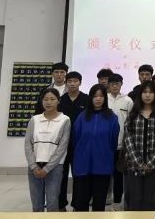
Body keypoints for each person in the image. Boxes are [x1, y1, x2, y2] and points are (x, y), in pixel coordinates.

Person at [71, 84, 120, 212]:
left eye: (101, 96)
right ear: (91, 98)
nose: (98, 99)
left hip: (102, 166)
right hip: (82, 165)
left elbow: (113, 142)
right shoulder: (82, 117)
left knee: (99, 204)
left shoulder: (112, 118)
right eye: (95, 96)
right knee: (81, 204)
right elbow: (75, 139)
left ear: (105, 98)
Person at [123, 81, 155, 210]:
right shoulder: (133, 115)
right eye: (144, 92)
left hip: (153, 166)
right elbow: (128, 139)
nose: (147, 95)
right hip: (133, 165)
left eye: (151, 92)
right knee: (134, 200)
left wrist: (150, 163)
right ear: (140, 95)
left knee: (150, 200)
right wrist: (138, 163)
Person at [24, 88, 71, 212]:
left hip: (55, 167)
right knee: (36, 205)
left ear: (58, 101)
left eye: (52, 99)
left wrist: (47, 168)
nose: (48, 102)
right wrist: (33, 166)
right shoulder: (34, 119)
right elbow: (28, 144)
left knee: (52, 203)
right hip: (34, 167)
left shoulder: (65, 120)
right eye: (45, 99)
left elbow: (62, 147)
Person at [58, 71, 88, 211]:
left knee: (79, 175)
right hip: (62, 144)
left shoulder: (86, 99)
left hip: (80, 144)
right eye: (69, 81)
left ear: (80, 83)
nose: (72, 84)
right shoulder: (60, 100)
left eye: (75, 81)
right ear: (66, 83)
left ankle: (77, 204)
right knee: (61, 175)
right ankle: (61, 204)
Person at [107, 73, 133, 208]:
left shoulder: (128, 100)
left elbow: (131, 121)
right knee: (106, 172)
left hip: (122, 144)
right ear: (108, 85)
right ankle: (106, 198)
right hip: (106, 144)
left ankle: (117, 201)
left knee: (119, 173)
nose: (114, 86)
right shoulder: (104, 98)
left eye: (117, 83)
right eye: (112, 84)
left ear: (121, 84)